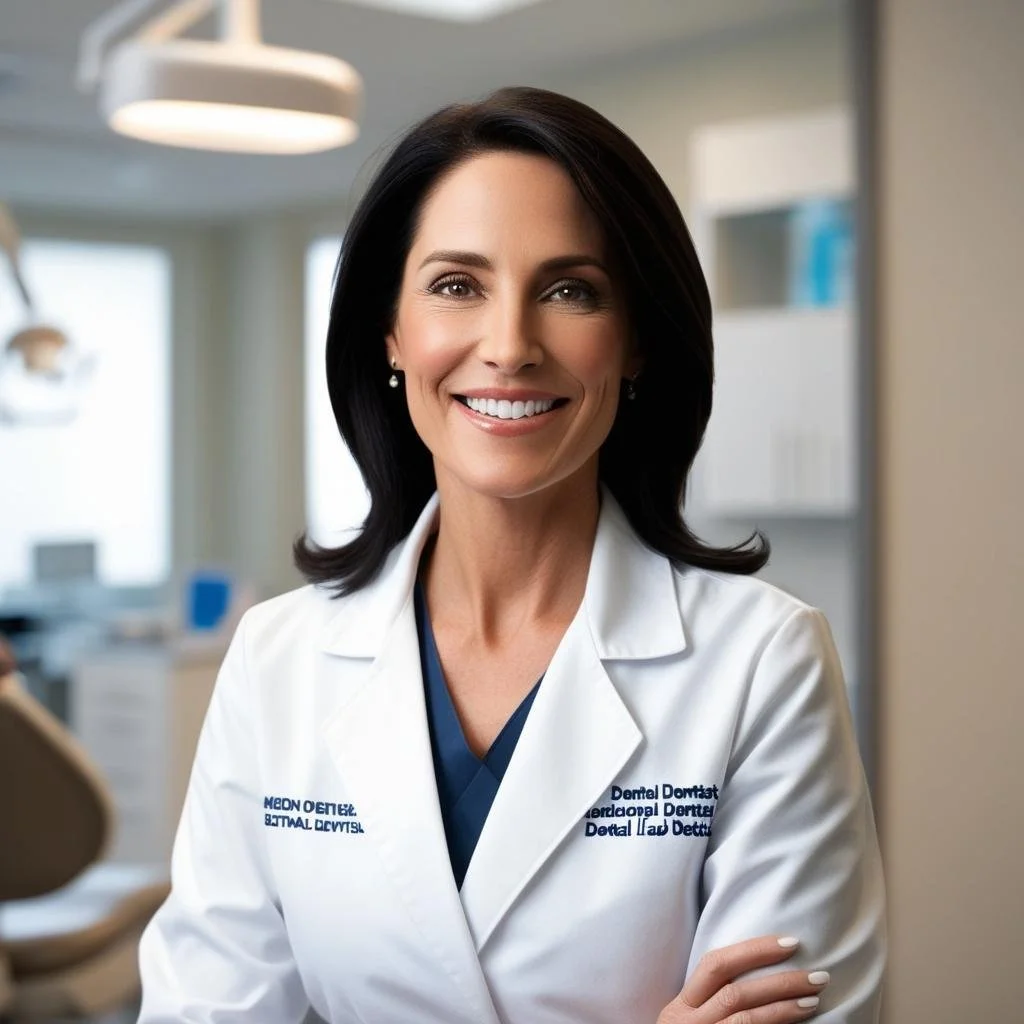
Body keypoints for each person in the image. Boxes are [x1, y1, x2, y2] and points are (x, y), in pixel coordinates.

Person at [137, 87, 885, 1023]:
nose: (509, 346)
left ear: (638, 341)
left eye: (570, 290)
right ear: (392, 335)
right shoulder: (276, 660)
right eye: (457, 285)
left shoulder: (761, 663)